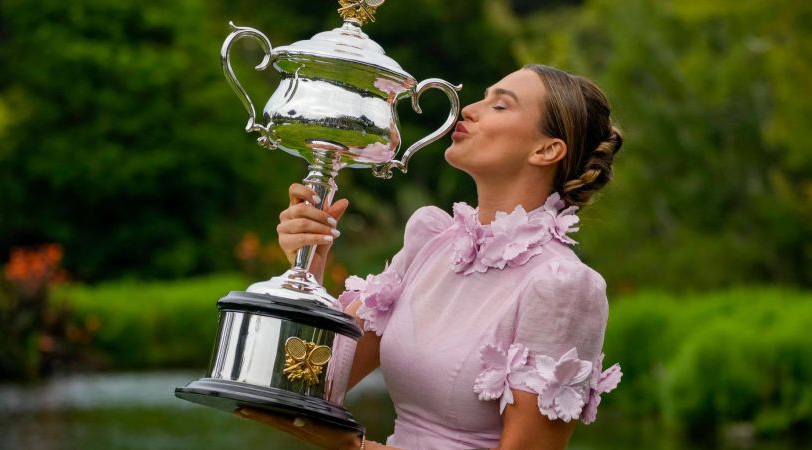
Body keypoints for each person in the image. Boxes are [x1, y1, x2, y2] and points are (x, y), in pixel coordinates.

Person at [236, 64, 624, 450]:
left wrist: (354, 448)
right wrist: (307, 268)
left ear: (546, 150)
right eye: (483, 97)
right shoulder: (432, 242)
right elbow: (306, 387)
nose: (468, 109)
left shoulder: (563, 286)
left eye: (501, 106)